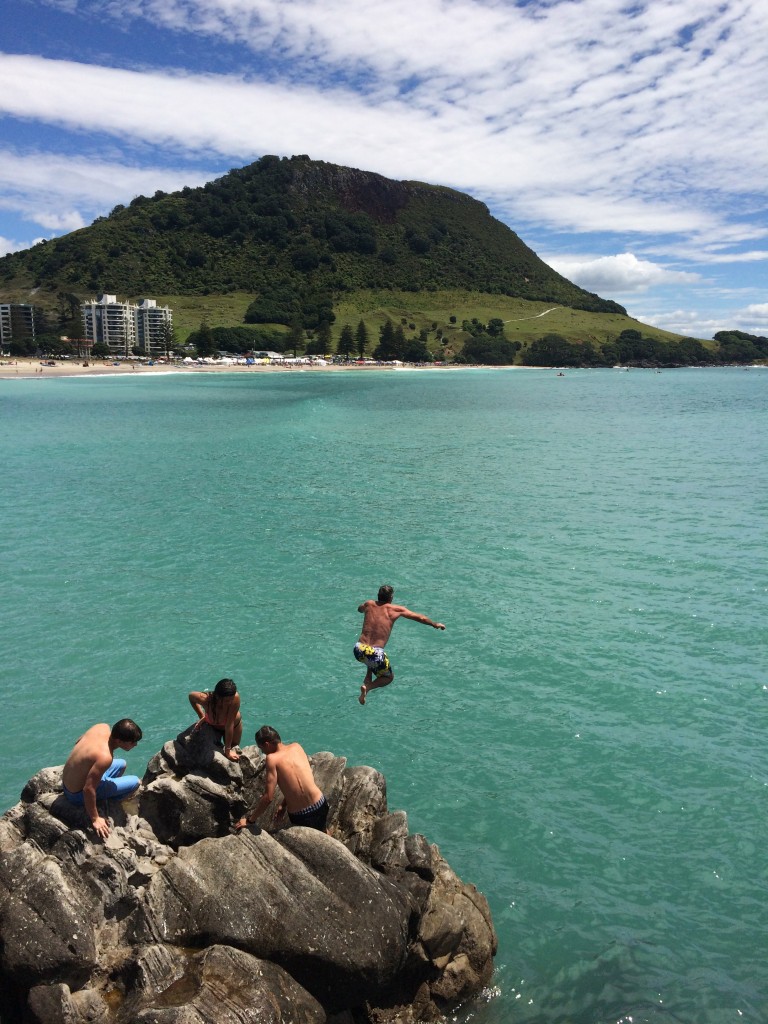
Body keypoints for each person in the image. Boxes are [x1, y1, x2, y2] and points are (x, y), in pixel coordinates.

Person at [354, 584, 445, 704]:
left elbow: (359, 609)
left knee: (371, 655)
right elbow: (420, 618)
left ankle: (367, 680)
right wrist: (434, 624)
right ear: (391, 598)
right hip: (375, 653)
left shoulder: (369, 604)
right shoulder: (395, 610)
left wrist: (364, 609)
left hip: (358, 649)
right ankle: (368, 687)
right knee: (388, 677)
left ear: (378, 595)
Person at [235, 726, 329, 833]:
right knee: (324, 832)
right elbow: (300, 782)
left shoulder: (272, 759)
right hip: (321, 804)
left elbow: (268, 798)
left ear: (267, 744)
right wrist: (283, 805)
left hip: (302, 815)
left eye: (261, 748)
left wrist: (250, 821)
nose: (263, 752)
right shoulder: (296, 747)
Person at [61, 720, 143, 839]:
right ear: (119, 741)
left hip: (67, 782)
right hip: (75, 795)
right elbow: (88, 789)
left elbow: (79, 740)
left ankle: (105, 789)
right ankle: (109, 802)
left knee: (122, 764)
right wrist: (95, 819)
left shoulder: (101, 727)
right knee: (135, 782)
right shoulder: (105, 757)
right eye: (132, 742)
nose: (135, 745)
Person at [188, 678, 243, 761]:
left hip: (234, 725)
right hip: (214, 725)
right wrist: (201, 715)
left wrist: (228, 750)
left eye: (231, 699)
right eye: (227, 700)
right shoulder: (206, 700)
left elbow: (229, 724)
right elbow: (191, 696)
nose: (230, 702)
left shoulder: (235, 698)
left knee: (234, 747)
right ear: (217, 696)